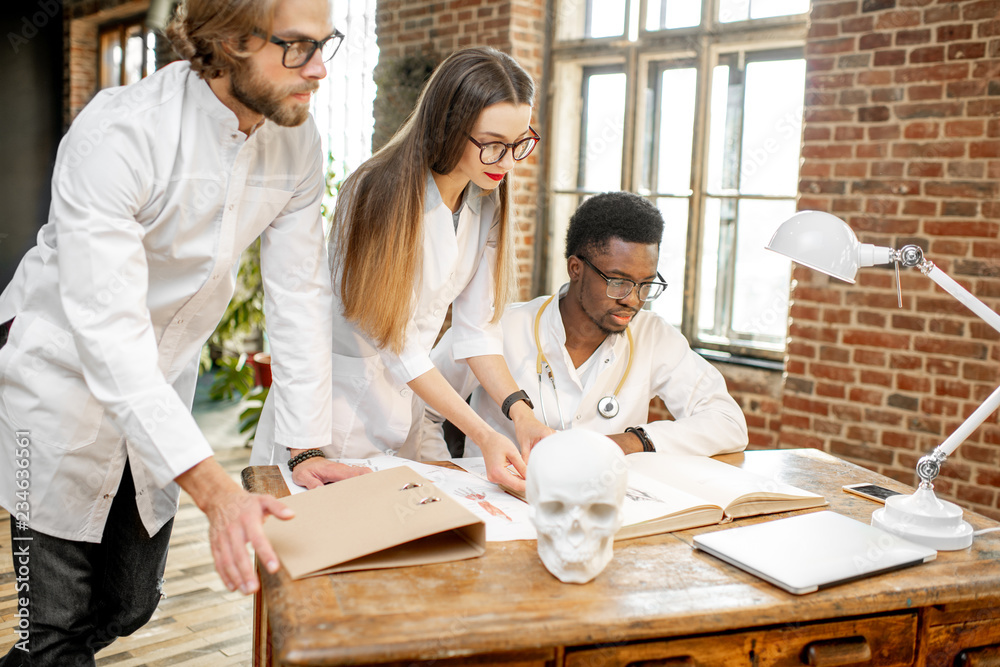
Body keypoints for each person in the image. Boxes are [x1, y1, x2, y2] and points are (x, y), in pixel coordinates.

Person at [0, 0, 361, 663]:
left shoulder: (298, 142)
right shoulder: (122, 132)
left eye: (325, 44)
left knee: (128, 605)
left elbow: (299, 296)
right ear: (229, 41)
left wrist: (306, 448)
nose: (319, 70)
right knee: (49, 629)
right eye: (298, 47)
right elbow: (107, 335)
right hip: (52, 387)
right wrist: (218, 494)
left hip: (161, 383)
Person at [251, 47, 554, 494]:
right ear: (451, 126)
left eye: (519, 144)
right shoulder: (376, 191)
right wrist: (484, 434)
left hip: (404, 414)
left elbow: (476, 332)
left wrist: (521, 414)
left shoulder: (485, 199)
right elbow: (400, 345)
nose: (508, 164)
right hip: (328, 424)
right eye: (493, 145)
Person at [423, 191, 749, 458]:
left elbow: (728, 422)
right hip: (497, 502)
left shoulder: (654, 336)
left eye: (646, 284)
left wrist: (632, 441)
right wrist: (446, 480)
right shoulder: (498, 327)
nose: (633, 300)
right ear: (576, 269)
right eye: (619, 282)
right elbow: (421, 409)